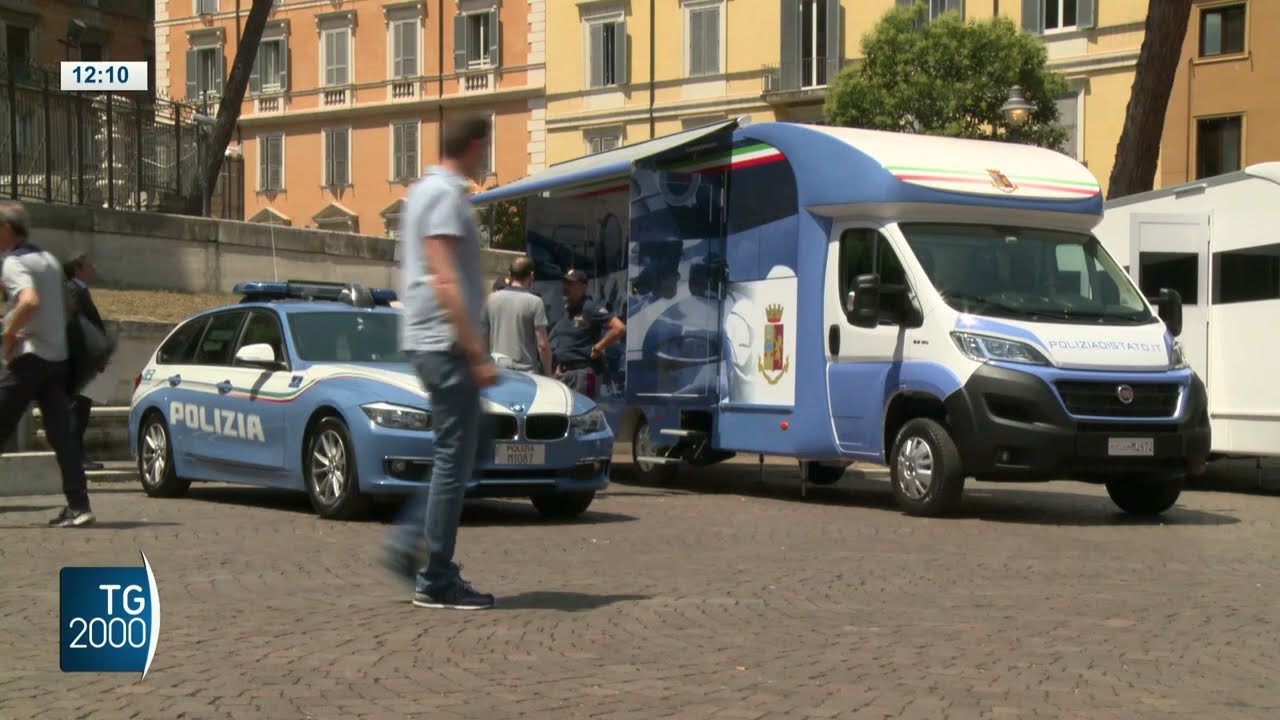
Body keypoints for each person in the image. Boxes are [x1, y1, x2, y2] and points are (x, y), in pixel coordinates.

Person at [383, 116, 498, 610]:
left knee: (474, 446)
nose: (486, 156)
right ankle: (434, 575)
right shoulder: (445, 195)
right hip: (444, 342)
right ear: (474, 145)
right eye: (485, 147)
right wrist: (476, 352)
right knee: (457, 456)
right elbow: (445, 277)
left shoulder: (426, 192)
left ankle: (413, 543)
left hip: (433, 338)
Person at [0, 201, 94, 527]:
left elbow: (30, 301)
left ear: (7, 229)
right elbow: (67, 304)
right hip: (57, 360)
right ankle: (79, 506)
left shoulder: (13, 262)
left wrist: (9, 333)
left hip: (28, 359)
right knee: (63, 437)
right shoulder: (49, 260)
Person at [551, 269, 626, 398]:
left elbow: (619, 328)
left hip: (581, 375)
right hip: (563, 374)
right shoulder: (567, 311)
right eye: (565, 283)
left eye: (571, 284)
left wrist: (598, 348)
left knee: (580, 409)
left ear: (583, 287)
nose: (566, 287)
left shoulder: (590, 308)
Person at [63, 252, 105, 471]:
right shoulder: (73, 291)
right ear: (78, 269)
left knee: (81, 410)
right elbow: (77, 327)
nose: (94, 268)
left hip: (85, 362)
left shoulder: (80, 291)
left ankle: (77, 455)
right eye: (89, 265)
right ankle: (75, 457)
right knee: (77, 411)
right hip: (80, 363)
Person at [480, 256, 552, 374]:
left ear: (509, 275)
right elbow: (542, 345)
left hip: (498, 371)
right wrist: (549, 373)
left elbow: (483, 338)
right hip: (526, 374)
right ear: (531, 276)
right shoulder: (535, 302)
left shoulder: (490, 300)